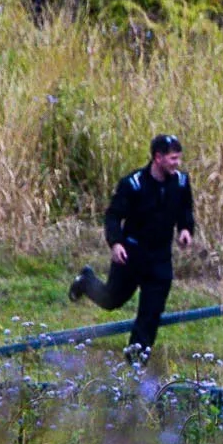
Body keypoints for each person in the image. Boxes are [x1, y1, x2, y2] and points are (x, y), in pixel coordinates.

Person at [68, 134, 197, 360]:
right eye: (173, 159)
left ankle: (136, 362)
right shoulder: (133, 184)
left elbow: (186, 211)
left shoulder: (181, 182)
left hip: (160, 258)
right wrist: (116, 243)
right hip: (131, 254)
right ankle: (86, 281)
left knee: (150, 314)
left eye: (179, 159)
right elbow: (113, 216)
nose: (177, 164)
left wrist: (185, 230)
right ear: (158, 158)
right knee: (111, 300)